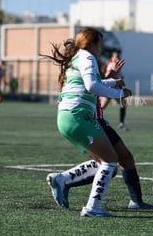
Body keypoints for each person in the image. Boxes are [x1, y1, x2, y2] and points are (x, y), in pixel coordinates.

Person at [41, 27, 132, 217]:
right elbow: (92, 86)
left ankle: (62, 179)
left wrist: (113, 83)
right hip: (78, 116)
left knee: (104, 163)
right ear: (91, 44)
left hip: (66, 116)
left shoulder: (78, 57)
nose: (101, 47)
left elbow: (89, 84)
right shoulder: (88, 57)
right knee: (111, 160)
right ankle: (93, 207)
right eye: (100, 43)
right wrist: (119, 93)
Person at [46, 97, 153, 210]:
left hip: (98, 120)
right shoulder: (88, 79)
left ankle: (136, 201)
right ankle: (64, 181)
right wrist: (113, 89)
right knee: (109, 164)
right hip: (89, 120)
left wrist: (115, 91)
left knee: (125, 158)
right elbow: (96, 89)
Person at [100, 50, 129, 131]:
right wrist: (116, 80)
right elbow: (107, 76)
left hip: (114, 89)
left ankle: (121, 123)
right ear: (112, 58)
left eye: (118, 57)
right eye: (115, 57)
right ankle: (95, 119)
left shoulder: (116, 65)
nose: (117, 59)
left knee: (123, 104)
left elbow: (119, 76)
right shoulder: (111, 65)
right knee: (102, 106)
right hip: (110, 89)